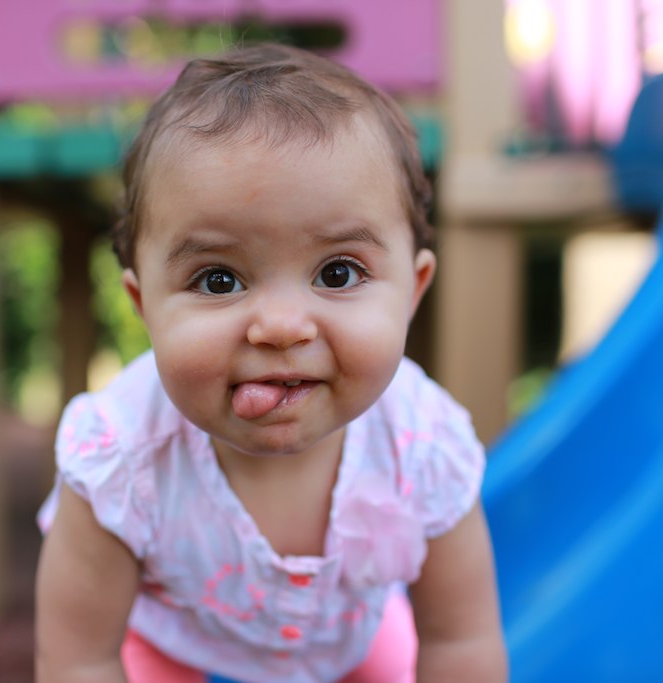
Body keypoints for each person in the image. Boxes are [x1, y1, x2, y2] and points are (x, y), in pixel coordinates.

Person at [35, 43, 507, 683]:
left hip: (352, 645)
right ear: (144, 306)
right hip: (175, 648)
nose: (282, 327)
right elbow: (80, 659)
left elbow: (461, 642)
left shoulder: (424, 445)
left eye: (337, 272)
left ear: (412, 292)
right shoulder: (120, 459)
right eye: (219, 280)